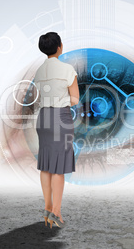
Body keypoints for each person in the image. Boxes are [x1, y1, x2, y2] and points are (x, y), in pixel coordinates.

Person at [33, 32, 79, 228]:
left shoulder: (38, 71)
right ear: (60, 46)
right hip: (60, 117)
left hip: (43, 117)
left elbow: (38, 97)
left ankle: (47, 208)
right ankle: (57, 212)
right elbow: (75, 100)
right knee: (59, 167)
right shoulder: (67, 69)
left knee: (46, 164)